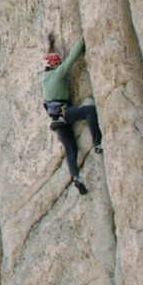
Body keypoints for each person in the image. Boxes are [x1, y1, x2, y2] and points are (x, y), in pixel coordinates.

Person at [41, 36, 102, 194]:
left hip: (56, 120)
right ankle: (97, 143)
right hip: (65, 113)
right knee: (89, 111)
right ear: (53, 65)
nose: (59, 64)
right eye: (57, 63)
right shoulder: (58, 74)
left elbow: (49, 62)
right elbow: (71, 60)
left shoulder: (45, 78)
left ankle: (75, 177)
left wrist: (50, 46)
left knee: (70, 148)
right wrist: (81, 41)